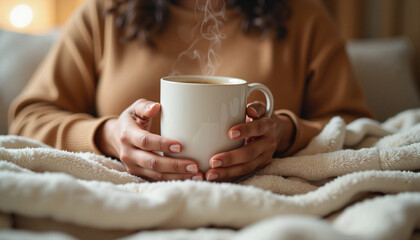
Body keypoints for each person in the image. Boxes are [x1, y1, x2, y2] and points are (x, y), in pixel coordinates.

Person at [8, 0, 373, 182]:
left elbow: (357, 126)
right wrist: (106, 136)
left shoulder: (304, 17)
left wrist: (285, 132)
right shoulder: (104, 13)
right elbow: (29, 117)